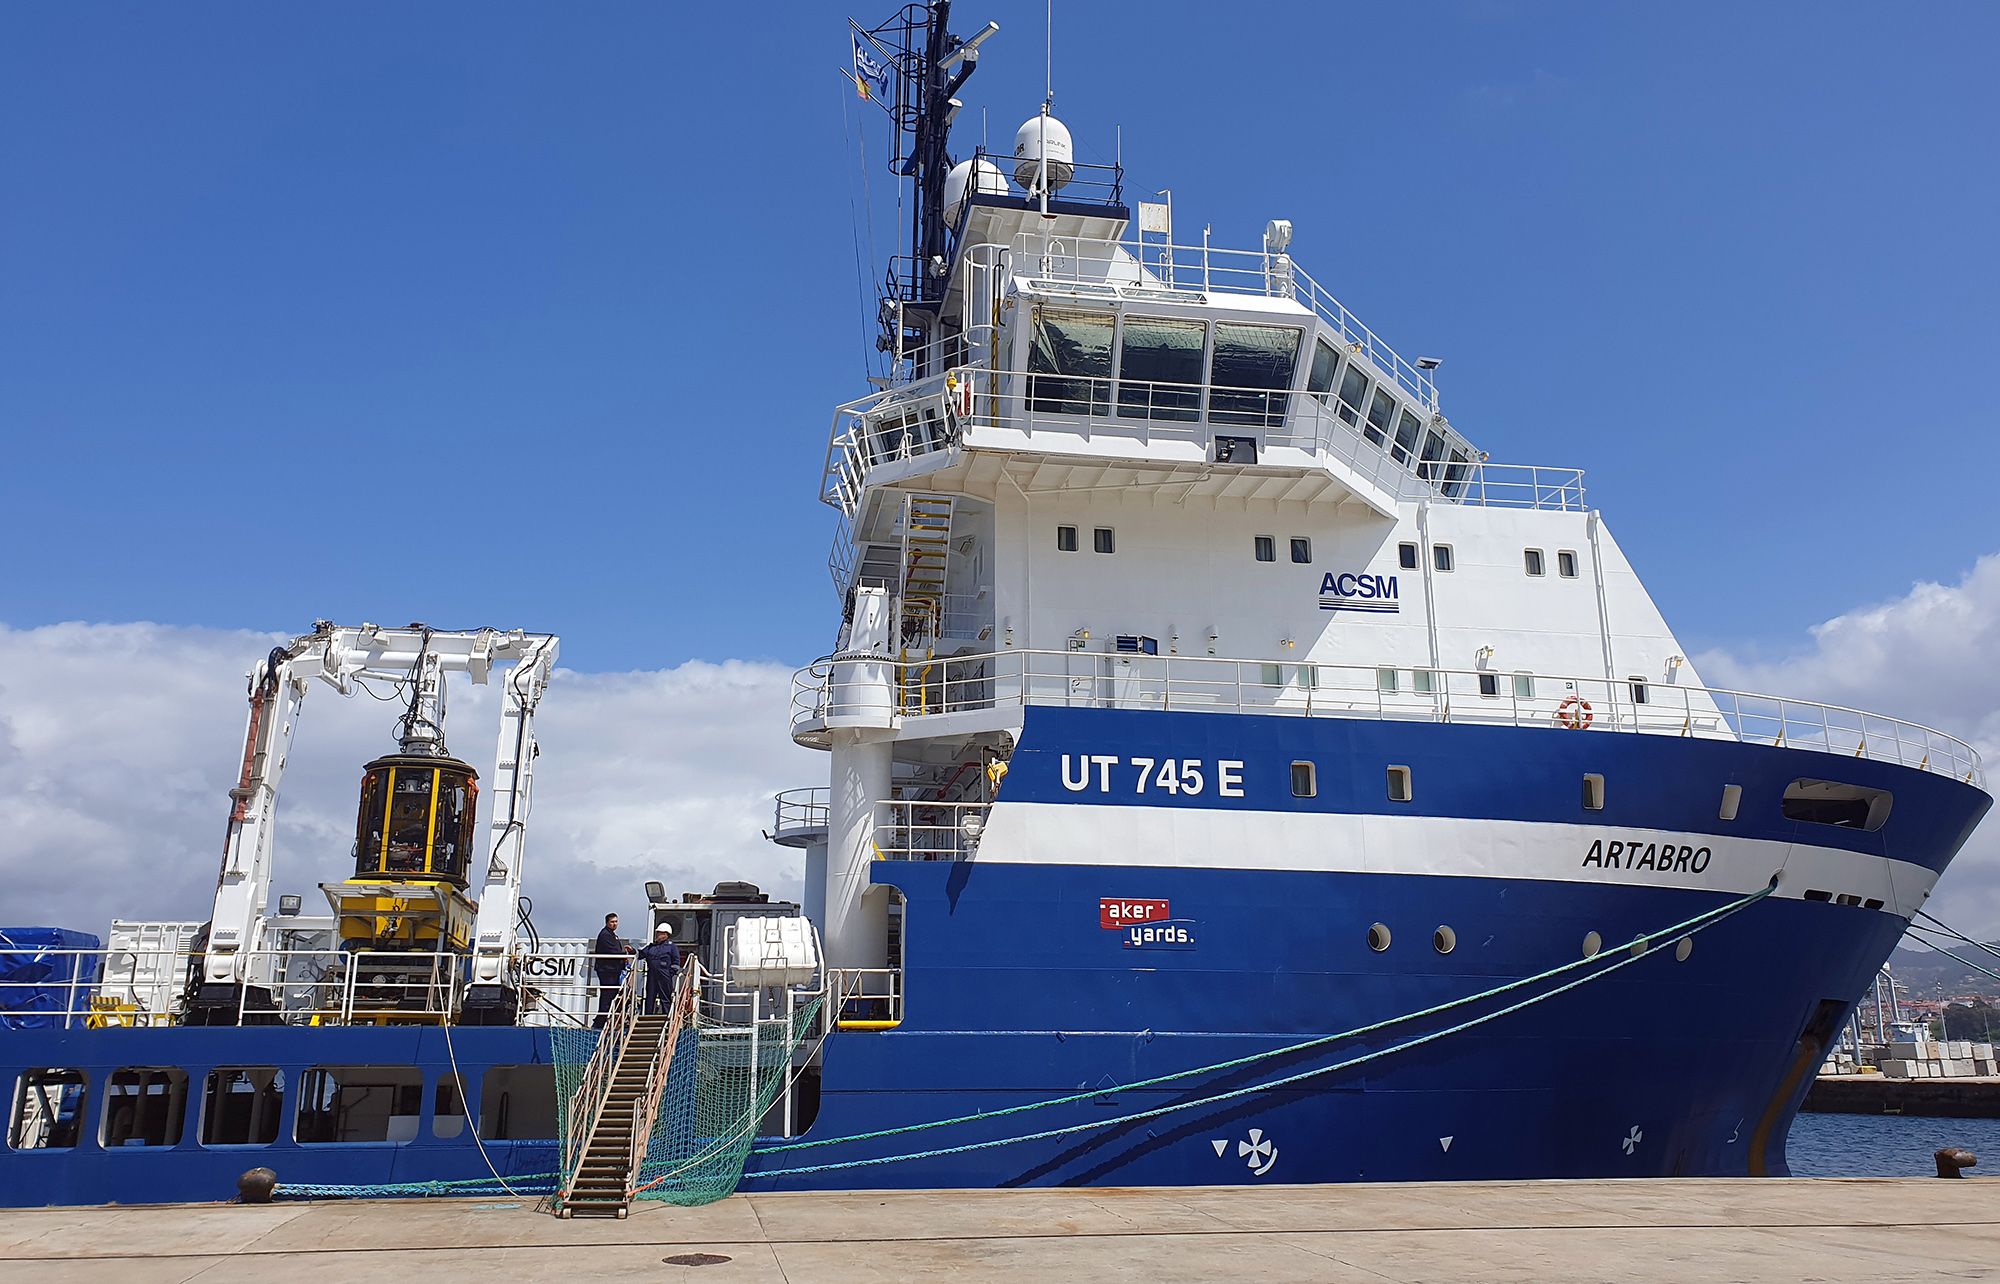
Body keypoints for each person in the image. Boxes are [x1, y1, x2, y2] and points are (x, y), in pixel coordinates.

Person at [591, 912, 633, 1029]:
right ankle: (601, 1021)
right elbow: (612, 951)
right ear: (607, 923)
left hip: (613, 970)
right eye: (612, 922)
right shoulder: (605, 935)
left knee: (613, 994)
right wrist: (624, 954)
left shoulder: (612, 935)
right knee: (608, 994)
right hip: (607, 970)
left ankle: (610, 1019)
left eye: (616, 921)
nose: (614, 924)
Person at [636, 922, 682, 1015]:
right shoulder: (651, 947)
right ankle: (647, 1016)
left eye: (659, 933)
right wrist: (632, 951)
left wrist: (670, 973)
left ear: (666, 934)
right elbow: (641, 954)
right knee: (650, 997)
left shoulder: (671, 947)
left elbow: (676, 962)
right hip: (652, 975)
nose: (657, 935)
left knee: (665, 997)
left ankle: (667, 1018)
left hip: (664, 975)